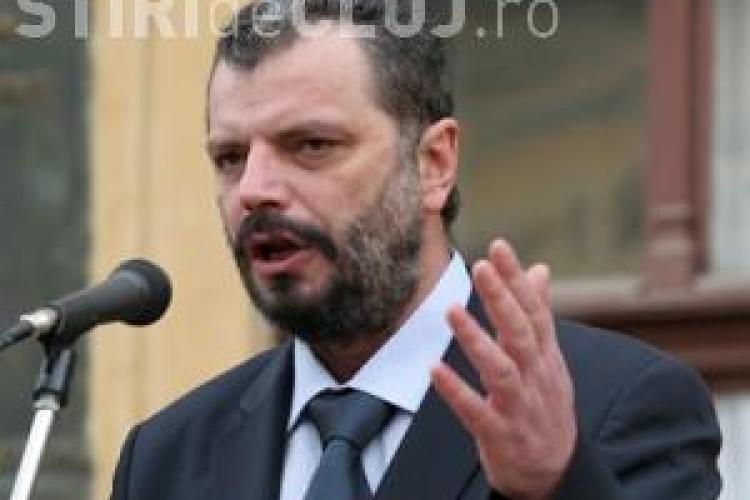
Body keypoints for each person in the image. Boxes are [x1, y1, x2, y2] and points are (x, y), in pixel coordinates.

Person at [109, 1, 721, 499]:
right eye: (230, 157)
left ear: (433, 164)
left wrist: (557, 485)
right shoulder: (166, 460)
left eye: (312, 145)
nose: (254, 190)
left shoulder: (617, 405)